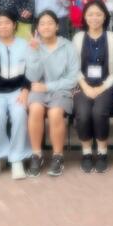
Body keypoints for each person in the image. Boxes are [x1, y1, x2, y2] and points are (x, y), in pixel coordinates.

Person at [25, 10, 80, 177]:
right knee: (35, 108)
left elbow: (73, 78)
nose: (46, 27)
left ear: (57, 26)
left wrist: (48, 87)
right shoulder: (33, 46)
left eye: (50, 23)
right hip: (39, 89)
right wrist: (34, 52)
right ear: (37, 28)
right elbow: (32, 77)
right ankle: (37, 155)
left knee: (55, 112)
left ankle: (58, 156)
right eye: (42, 24)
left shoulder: (68, 46)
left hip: (61, 89)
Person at [0, 11, 32, 180]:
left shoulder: (24, 45)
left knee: (19, 114)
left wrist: (25, 89)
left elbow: (31, 70)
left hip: (18, 90)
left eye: (7, 22)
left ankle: (17, 158)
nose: (3, 26)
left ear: (14, 25)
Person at [72, 0, 113, 174]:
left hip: (106, 86)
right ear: (84, 17)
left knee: (99, 112)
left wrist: (101, 88)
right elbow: (73, 67)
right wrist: (85, 87)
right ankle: (86, 153)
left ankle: (102, 153)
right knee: (83, 113)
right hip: (83, 85)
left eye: (99, 14)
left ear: (105, 16)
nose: (94, 18)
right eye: (90, 14)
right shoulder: (78, 38)